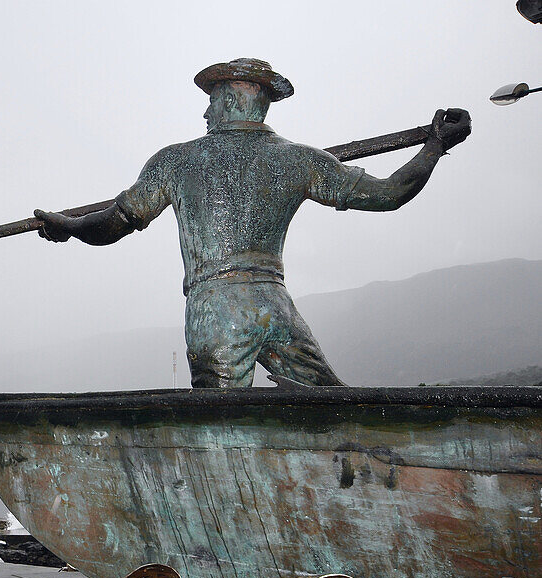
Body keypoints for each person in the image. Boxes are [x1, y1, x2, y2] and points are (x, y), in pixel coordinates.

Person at [35, 58, 471, 388]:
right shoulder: (301, 159)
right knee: (329, 408)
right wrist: (434, 146)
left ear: (228, 99)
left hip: (216, 309)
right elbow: (391, 194)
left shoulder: (176, 161)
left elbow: (112, 225)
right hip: (277, 308)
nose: (205, 114)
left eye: (209, 102)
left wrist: (69, 227)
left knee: (217, 427)